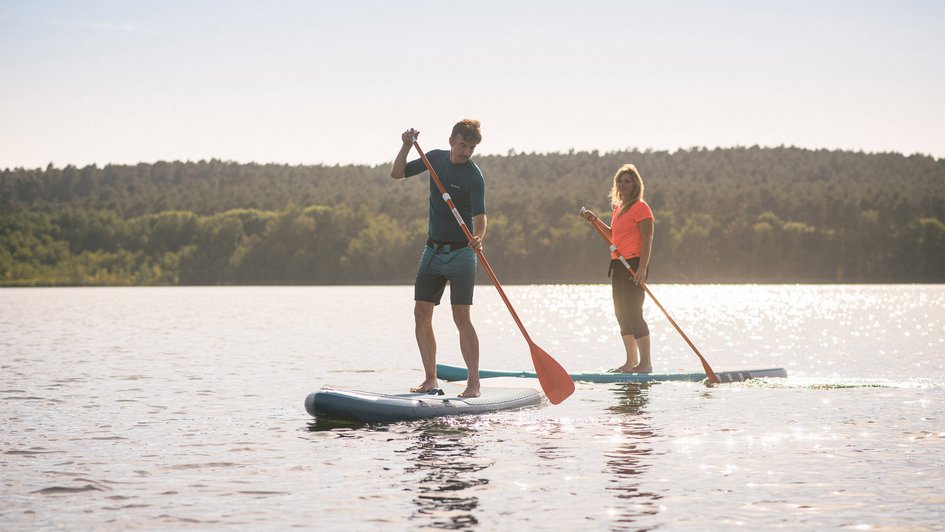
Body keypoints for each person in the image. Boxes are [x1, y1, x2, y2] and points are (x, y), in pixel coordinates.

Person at [390, 119, 487, 398]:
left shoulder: (474, 176)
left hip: (462, 253)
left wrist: (478, 236)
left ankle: (473, 384)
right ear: (451, 141)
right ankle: (430, 380)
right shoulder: (434, 158)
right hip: (432, 251)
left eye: (471, 148)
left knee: (461, 317)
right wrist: (406, 146)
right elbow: (397, 173)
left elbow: (480, 217)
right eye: (463, 145)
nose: (466, 152)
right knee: (421, 313)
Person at [581, 164, 655, 373]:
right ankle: (630, 362)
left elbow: (648, 238)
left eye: (627, 181)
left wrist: (642, 268)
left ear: (635, 185)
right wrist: (595, 220)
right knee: (621, 313)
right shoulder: (619, 208)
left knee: (633, 312)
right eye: (620, 181)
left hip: (634, 264)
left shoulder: (641, 207)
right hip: (618, 265)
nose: (623, 184)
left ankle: (645, 363)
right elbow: (612, 236)